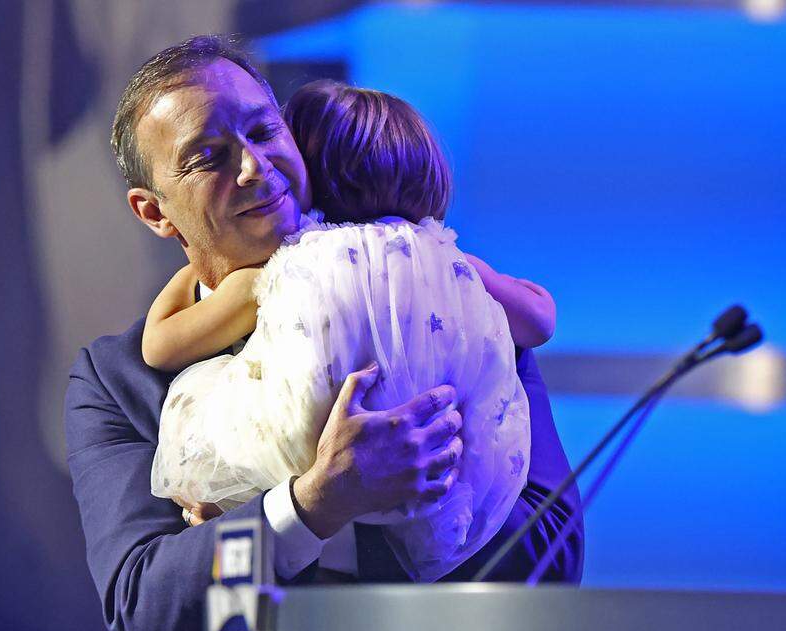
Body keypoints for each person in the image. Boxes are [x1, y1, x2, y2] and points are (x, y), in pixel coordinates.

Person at [64, 35, 582, 631]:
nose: (253, 167)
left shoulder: (438, 311)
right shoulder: (119, 380)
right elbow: (144, 599)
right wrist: (309, 506)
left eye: (264, 132)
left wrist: (416, 497)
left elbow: (551, 552)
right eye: (207, 154)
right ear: (153, 211)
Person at [146, 79, 557, 582]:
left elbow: (162, 346)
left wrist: (189, 274)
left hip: (295, 470)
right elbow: (539, 319)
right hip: (445, 498)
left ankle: (241, 507)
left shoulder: (288, 267)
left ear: (308, 174)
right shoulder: (450, 264)